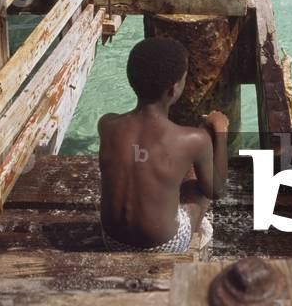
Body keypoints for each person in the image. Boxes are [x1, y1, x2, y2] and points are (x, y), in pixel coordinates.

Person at [98, 37, 229, 252]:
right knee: (200, 189)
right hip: (164, 246)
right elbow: (217, 190)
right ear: (173, 89)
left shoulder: (107, 124)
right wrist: (221, 131)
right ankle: (193, 235)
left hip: (112, 240)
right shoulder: (195, 140)